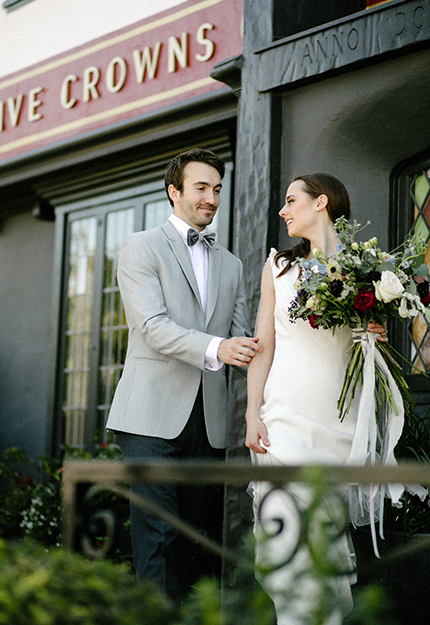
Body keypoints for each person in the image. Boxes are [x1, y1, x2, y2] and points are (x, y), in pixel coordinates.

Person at [107, 148, 260, 604]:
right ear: (174, 192)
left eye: (216, 188)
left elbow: (245, 341)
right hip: (149, 418)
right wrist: (217, 348)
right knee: (156, 538)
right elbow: (151, 327)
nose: (211, 197)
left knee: (188, 539)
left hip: (208, 423)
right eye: (201, 187)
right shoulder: (141, 245)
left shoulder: (231, 264)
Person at [245, 173, 387, 625]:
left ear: (321, 202)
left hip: (340, 419)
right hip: (284, 415)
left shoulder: (365, 269)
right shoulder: (278, 269)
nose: (283, 211)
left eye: (291, 200)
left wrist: (373, 335)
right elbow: (262, 345)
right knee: (284, 535)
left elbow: (368, 345)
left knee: (324, 538)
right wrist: (252, 414)